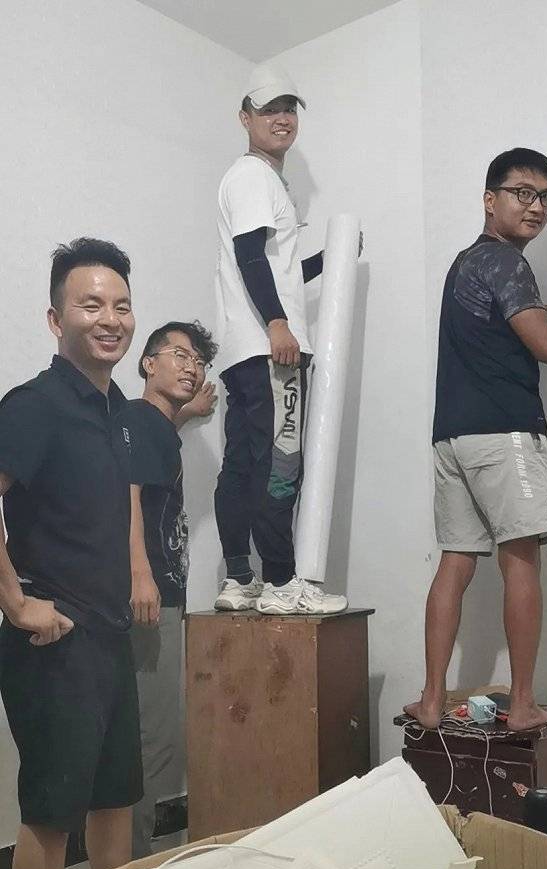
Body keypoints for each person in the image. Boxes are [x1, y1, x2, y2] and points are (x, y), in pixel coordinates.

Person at [405, 148, 547, 733]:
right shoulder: (506, 263)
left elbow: (499, 337)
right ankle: (523, 704)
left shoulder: (467, 264)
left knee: (456, 561)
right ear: (489, 199)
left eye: (545, 196)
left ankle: (431, 700)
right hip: (503, 433)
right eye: (522, 193)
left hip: (451, 437)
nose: (536, 206)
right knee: (522, 558)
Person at [0, 238, 142, 869]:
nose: (110, 319)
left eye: (121, 306)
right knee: (52, 813)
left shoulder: (117, 412)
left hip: (110, 635)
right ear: (56, 320)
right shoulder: (35, 406)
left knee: (115, 801)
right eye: (91, 306)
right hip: (54, 642)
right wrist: (16, 603)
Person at [214, 61, 348, 616]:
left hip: (245, 349)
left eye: (289, 108)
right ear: (244, 117)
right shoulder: (254, 176)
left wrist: (331, 258)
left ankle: (239, 579)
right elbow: (250, 254)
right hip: (270, 348)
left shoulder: (253, 180)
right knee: (281, 462)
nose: (282, 118)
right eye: (269, 109)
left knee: (244, 465)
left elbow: (275, 265)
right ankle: (280, 582)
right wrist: (277, 323)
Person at [123, 321, 217, 859]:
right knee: (152, 738)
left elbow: (153, 445)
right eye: (179, 355)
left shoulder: (154, 425)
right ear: (148, 363)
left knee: (150, 732)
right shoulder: (139, 419)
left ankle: (128, 855)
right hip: (149, 596)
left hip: (161, 595)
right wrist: (141, 573)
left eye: (198, 362)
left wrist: (187, 412)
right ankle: (132, 862)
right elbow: (128, 491)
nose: (191, 368)